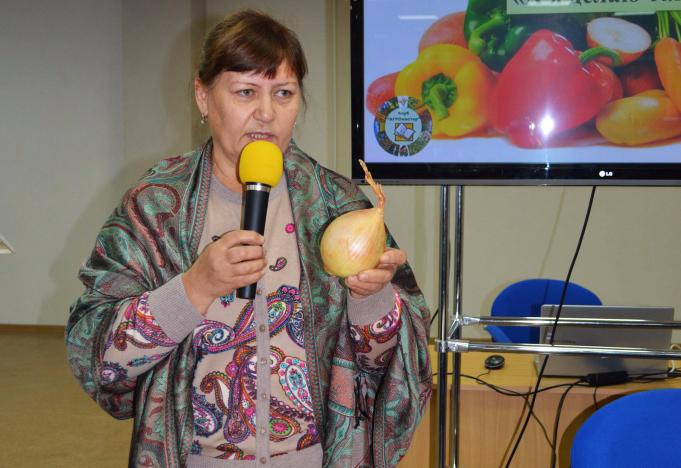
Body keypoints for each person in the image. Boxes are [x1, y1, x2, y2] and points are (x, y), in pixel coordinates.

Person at [66, 9, 431, 468]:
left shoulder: (338, 204)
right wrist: (194, 287)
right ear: (203, 96)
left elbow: (391, 369)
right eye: (245, 92)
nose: (266, 113)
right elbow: (98, 356)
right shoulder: (156, 208)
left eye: (283, 93)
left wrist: (371, 299)